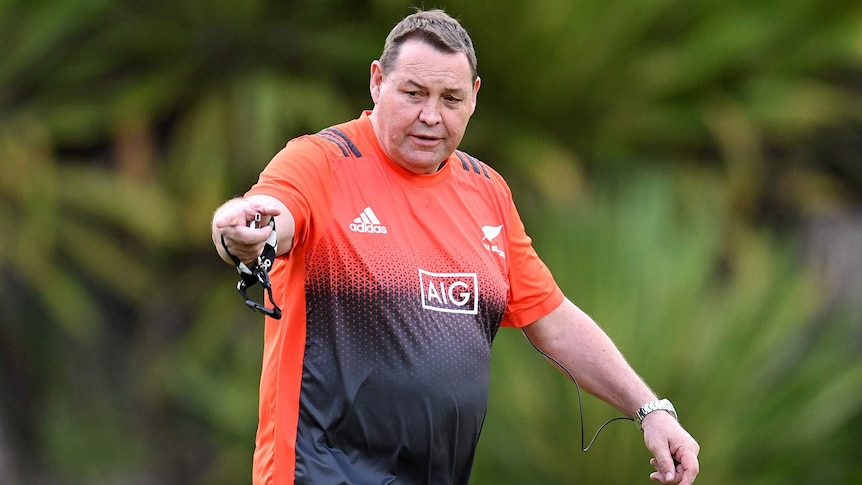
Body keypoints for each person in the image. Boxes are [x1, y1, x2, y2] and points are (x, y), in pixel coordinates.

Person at [211, 8, 699, 485]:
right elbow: (271, 216)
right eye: (414, 93)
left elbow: (552, 320)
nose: (430, 116)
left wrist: (650, 409)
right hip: (318, 471)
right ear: (378, 82)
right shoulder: (322, 162)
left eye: (450, 98)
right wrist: (242, 231)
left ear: (474, 98)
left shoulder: (486, 191)